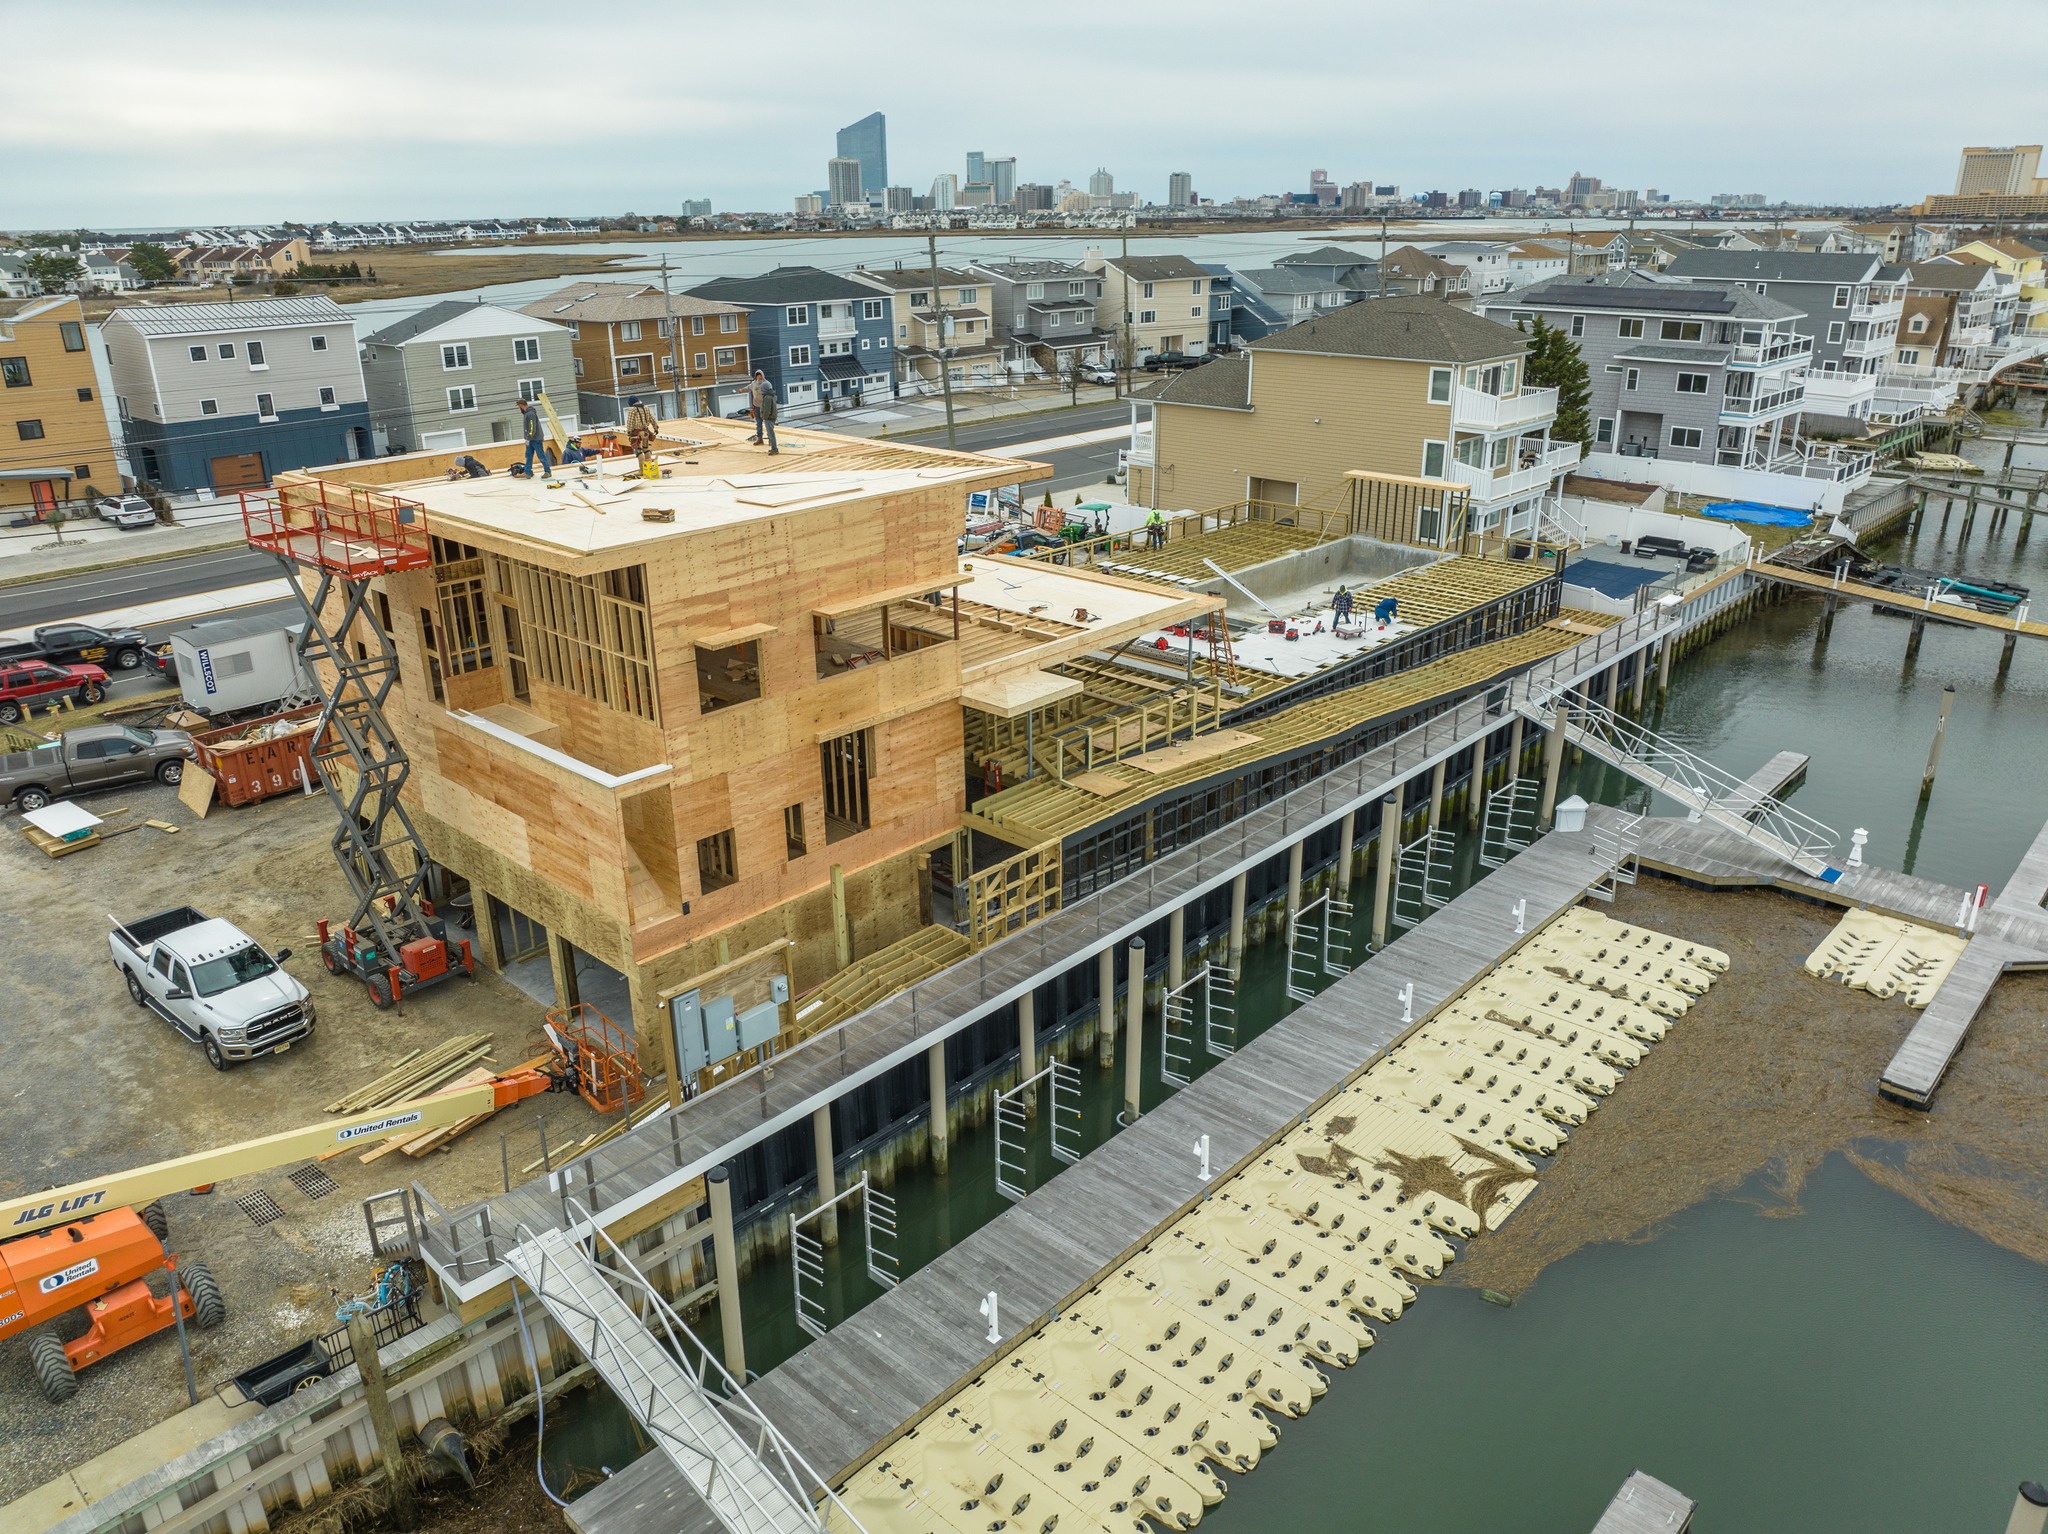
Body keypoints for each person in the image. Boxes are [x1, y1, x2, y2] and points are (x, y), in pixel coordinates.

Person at [517, 399, 553, 477]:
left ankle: (548, 472)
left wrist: (528, 438)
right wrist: (528, 439)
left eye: (519, 406)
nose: (519, 408)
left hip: (536, 439)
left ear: (521, 405)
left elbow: (532, 428)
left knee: (541, 456)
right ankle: (527, 472)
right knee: (528, 456)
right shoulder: (526, 413)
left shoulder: (530, 414)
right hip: (530, 439)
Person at [748, 369, 779, 453]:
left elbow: (767, 410)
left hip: (769, 418)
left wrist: (764, 417)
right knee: (770, 432)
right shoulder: (771, 395)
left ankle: (774, 448)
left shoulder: (767, 398)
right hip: (771, 416)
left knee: (771, 434)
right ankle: (769, 445)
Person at [625, 394, 657, 459]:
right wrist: (656, 428)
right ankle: (649, 467)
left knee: (638, 451)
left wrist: (629, 432)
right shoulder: (646, 408)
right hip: (645, 432)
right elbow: (652, 419)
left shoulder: (632, 409)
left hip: (636, 433)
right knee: (646, 449)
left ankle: (642, 468)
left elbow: (630, 422)